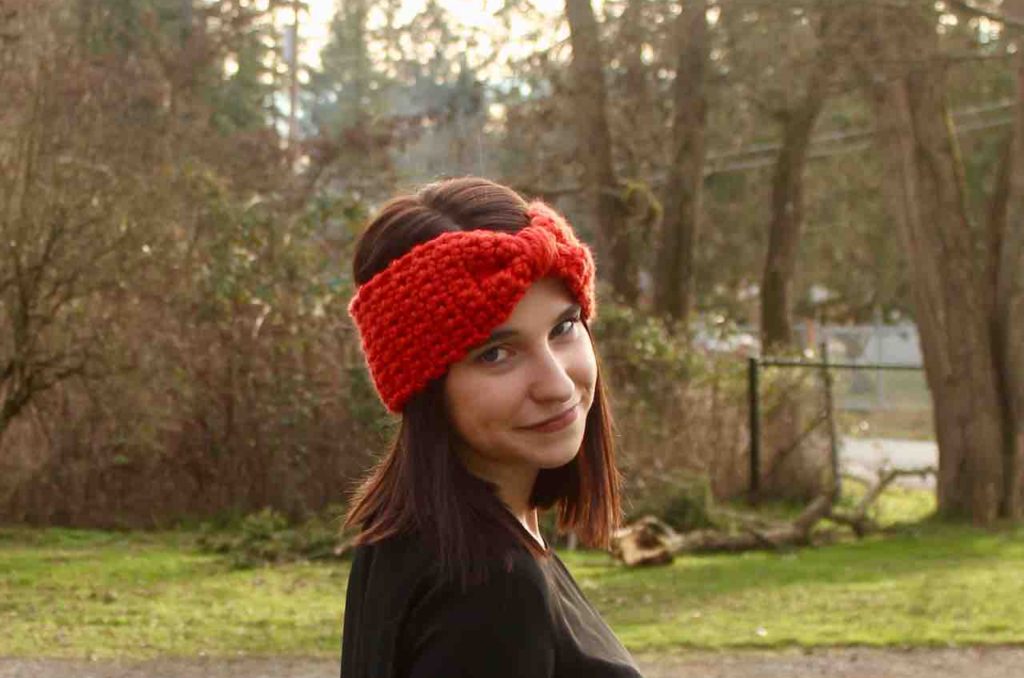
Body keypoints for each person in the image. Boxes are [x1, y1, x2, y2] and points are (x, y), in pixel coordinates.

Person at [339, 176, 644, 678]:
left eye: (563, 328)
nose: (555, 383)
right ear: (426, 388)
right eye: (496, 354)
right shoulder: (490, 589)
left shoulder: (409, 540)